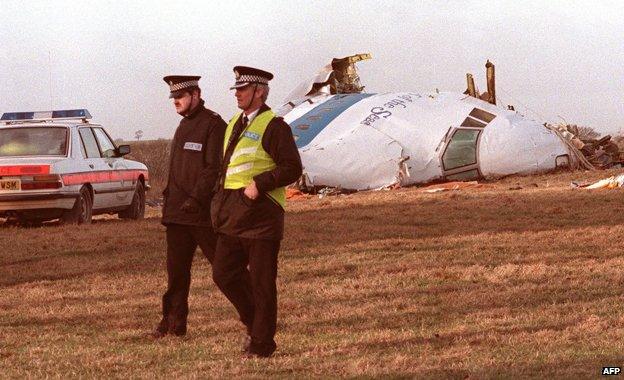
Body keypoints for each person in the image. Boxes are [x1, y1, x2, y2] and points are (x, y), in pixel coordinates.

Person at [211, 66, 302, 358]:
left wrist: (259, 185)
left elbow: (292, 168)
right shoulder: (233, 124)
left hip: (261, 217)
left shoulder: (275, 126)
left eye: (242, 89)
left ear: (259, 92)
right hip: (233, 215)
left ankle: (262, 343)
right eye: (236, 89)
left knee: (263, 284)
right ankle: (255, 323)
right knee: (223, 274)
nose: (236, 94)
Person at [153, 75, 226, 338]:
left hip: (202, 214)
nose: (176, 101)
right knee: (177, 274)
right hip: (177, 215)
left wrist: (196, 200)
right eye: (173, 97)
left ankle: (256, 318)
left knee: (226, 269)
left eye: (180, 96)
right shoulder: (183, 126)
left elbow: (212, 169)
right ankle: (173, 324)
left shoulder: (214, 125)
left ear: (196, 94)